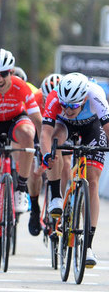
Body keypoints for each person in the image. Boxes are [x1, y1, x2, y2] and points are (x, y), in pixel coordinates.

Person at [0, 48, 42, 256]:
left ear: (11, 72)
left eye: (4, 73)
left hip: (15, 120)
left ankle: (21, 187)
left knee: (28, 134)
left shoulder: (21, 87)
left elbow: (38, 121)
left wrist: (44, 149)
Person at [40, 72, 109, 267]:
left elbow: (107, 127)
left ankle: (87, 246)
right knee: (54, 145)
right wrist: (47, 155)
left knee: (93, 181)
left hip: (92, 128)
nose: (68, 109)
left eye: (74, 106)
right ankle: (55, 196)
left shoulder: (95, 94)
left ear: (84, 98)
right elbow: (45, 132)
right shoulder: (55, 97)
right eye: (64, 105)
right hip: (65, 127)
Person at [28, 73, 63, 236]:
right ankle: (35, 208)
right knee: (34, 172)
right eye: (45, 99)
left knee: (65, 162)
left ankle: (62, 203)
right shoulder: (34, 98)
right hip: (39, 131)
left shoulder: (65, 100)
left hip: (58, 130)